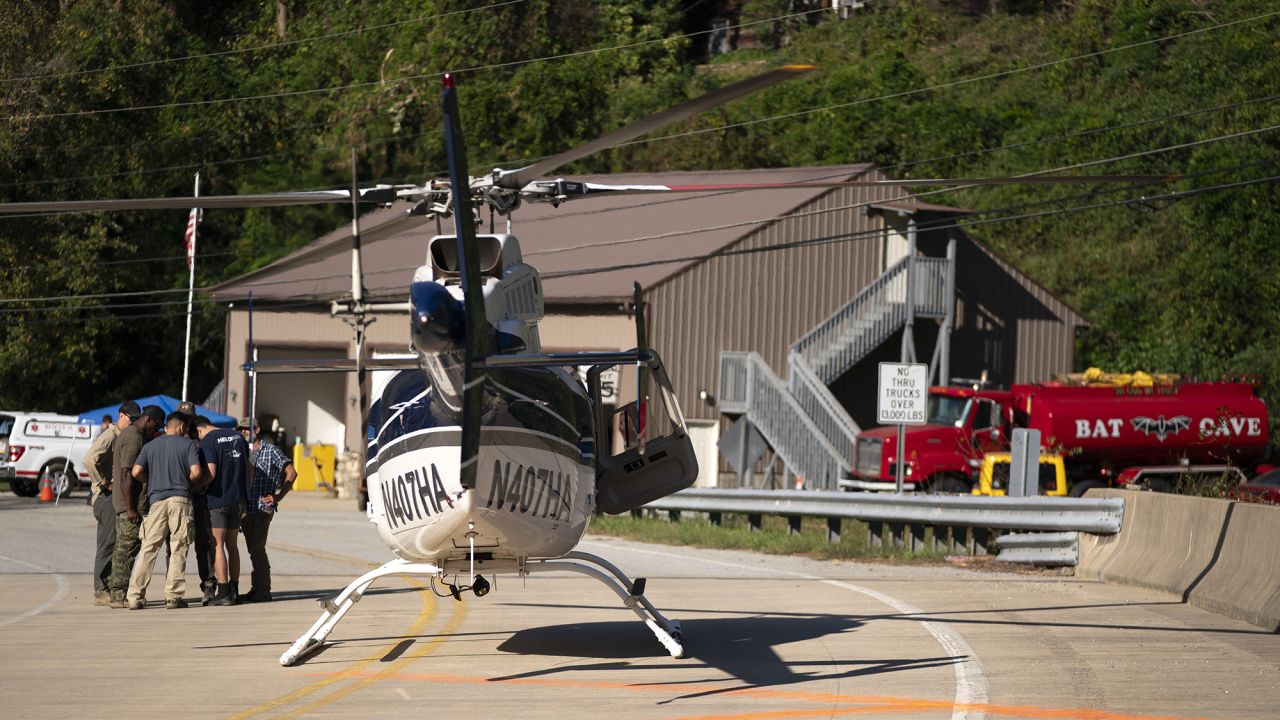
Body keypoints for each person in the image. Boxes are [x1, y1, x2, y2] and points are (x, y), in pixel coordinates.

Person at [126, 412, 207, 610]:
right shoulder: (187, 445)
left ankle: (135, 596)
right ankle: (173, 596)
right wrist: (185, 480)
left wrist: (152, 481)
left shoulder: (150, 446)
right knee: (179, 547)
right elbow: (196, 472)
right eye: (186, 428)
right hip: (180, 500)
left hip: (156, 501)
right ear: (181, 427)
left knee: (149, 548)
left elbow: (135, 472)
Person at [107, 404, 165, 609]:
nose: (155, 430)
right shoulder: (134, 438)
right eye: (155, 426)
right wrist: (131, 508)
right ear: (148, 420)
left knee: (127, 548)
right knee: (126, 549)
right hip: (130, 504)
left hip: (129, 502)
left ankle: (119, 593)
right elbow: (126, 474)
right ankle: (118, 595)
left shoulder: (133, 434)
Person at [82, 400, 138, 606]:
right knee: (107, 544)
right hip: (105, 497)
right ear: (121, 415)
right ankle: (100, 589)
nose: (132, 422)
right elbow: (89, 460)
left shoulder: (123, 436)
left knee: (115, 543)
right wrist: (104, 483)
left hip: (112, 496)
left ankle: (109, 585)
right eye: (130, 418)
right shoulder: (110, 436)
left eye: (135, 419)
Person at [195, 415, 249, 606]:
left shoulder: (208, 441)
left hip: (217, 499)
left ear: (199, 430)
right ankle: (235, 590)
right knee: (232, 546)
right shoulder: (238, 437)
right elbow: (248, 467)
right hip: (238, 498)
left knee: (217, 545)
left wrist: (198, 486)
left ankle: (224, 592)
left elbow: (210, 473)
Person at [241, 425, 297, 603]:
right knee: (252, 550)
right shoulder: (241, 450)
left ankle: (264, 590)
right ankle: (256, 587)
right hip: (245, 508)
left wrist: (278, 496)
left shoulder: (271, 450)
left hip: (263, 507)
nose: (243, 433)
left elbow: (292, 473)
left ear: (257, 429)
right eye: (240, 430)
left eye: (246, 429)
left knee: (257, 548)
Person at [176, 401, 216, 605]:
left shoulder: (203, 441)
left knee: (204, 545)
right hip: (178, 497)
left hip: (200, 498)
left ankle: (208, 586)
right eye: (183, 418)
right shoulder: (171, 440)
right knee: (174, 545)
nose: (187, 423)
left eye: (190, 418)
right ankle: (173, 590)